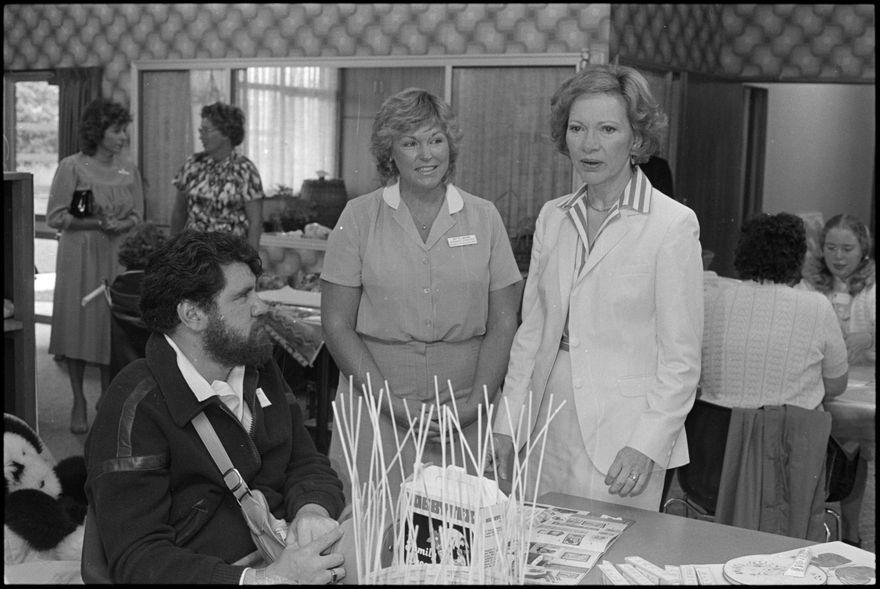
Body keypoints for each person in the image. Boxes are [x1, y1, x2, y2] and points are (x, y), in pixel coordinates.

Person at [491, 64, 704, 511]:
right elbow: (532, 333)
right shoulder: (553, 216)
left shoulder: (671, 224)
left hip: (625, 438)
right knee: (537, 545)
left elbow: (681, 361)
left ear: (636, 138)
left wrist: (647, 443)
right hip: (545, 424)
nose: (589, 144)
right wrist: (507, 424)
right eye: (577, 128)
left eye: (607, 129)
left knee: (616, 551)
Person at [84, 230, 346, 584]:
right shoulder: (135, 406)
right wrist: (258, 580)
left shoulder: (257, 365)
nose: (261, 306)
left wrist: (312, 509)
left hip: (280, 555)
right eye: (243, 296)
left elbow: (305, 461)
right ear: (192, 314)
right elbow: (139, 560)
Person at [320, 88, 523, 504]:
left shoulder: (484, 217)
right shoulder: (358, 217)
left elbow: (505, 321)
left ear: (450, 145)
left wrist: (474, 406)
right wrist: (393, 406)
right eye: (410, 143)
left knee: (464, 524)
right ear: (389, 153)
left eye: (436, 139)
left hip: (466, 410)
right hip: (377, 407)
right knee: (374, 525)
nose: (426, 154)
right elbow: (337, 324)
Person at [46, 97, 144, 434]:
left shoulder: (128, 170)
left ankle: (107, 396)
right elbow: (56, 216)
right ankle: (78, 399)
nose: (123, 137)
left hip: (115, 254)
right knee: (78, 325)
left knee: (109, 328)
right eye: (117, 130)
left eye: (124, 130)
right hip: (81, 255)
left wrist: (122, 223)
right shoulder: (72, 167)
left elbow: (138, 215)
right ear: (97, 131)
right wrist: (96, 224)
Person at [700, 213, 848, 410]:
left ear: (741, 254)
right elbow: (836, 384)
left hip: (717, 425)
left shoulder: (709, 300)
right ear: (798, 258)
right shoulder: (817, 306)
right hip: (788, 426)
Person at [171, 102, 266, 250]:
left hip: (230, 255)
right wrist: (171, 252)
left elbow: (255, 223)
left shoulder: (245, 171)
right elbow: (179, 213)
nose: (201, 136)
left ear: (226, 133)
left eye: (206, 131)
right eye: (200, 130)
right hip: (194, 255)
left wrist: (251, 259)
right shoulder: (192, 165)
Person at [799, 214, 875, 366]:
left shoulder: (872, 286)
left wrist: (869, 339)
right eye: (831, 248)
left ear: (863, 250)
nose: (838, 256)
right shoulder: (808, 284)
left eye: (847, 249)